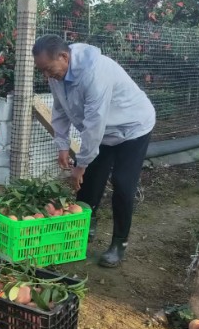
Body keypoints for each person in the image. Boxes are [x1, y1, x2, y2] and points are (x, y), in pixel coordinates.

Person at [32, 34, 156, 268]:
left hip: (132, 128)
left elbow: (94, 124)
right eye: (42, 71)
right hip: (103, 132)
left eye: (48, 69)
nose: (46, 75)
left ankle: (119, 243)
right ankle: (84, 226)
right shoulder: (57, 74)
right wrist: (62, 145)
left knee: (123, 183)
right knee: (89, 182)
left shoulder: (94, 73)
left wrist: (81, 164)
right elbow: (59, 110)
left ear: (64, 57)